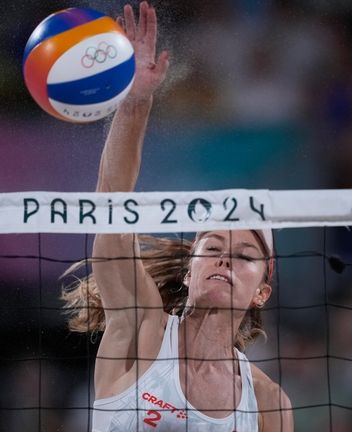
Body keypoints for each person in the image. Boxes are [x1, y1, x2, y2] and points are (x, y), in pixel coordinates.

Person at [61, 2, 293, 431]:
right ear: (190, 270)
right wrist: (135, 102)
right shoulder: (141, 326)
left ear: (263, 290)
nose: (225, 260)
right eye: (214, 248)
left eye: (244, 256)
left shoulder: (268, 403)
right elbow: (111, 203)